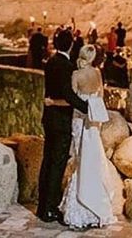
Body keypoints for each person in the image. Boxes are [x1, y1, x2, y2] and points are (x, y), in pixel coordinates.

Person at [59, 45, 116, 228]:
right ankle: (95, 202)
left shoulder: (77, 75)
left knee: (79, 158)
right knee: (92, 156)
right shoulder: (97, 73)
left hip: (80, 117)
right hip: (94, 120)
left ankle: (79, 205)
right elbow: (100, 94)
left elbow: (73, 99)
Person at [37, 29, 89, 224]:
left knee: (47, 161)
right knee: (57, 164)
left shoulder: (50, 62)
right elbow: (68, 96)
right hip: (60, 121)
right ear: (71, 45)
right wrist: (87, 107)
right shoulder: (66, 66)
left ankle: (42, 205)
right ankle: (50, 209)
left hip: (49, 118)